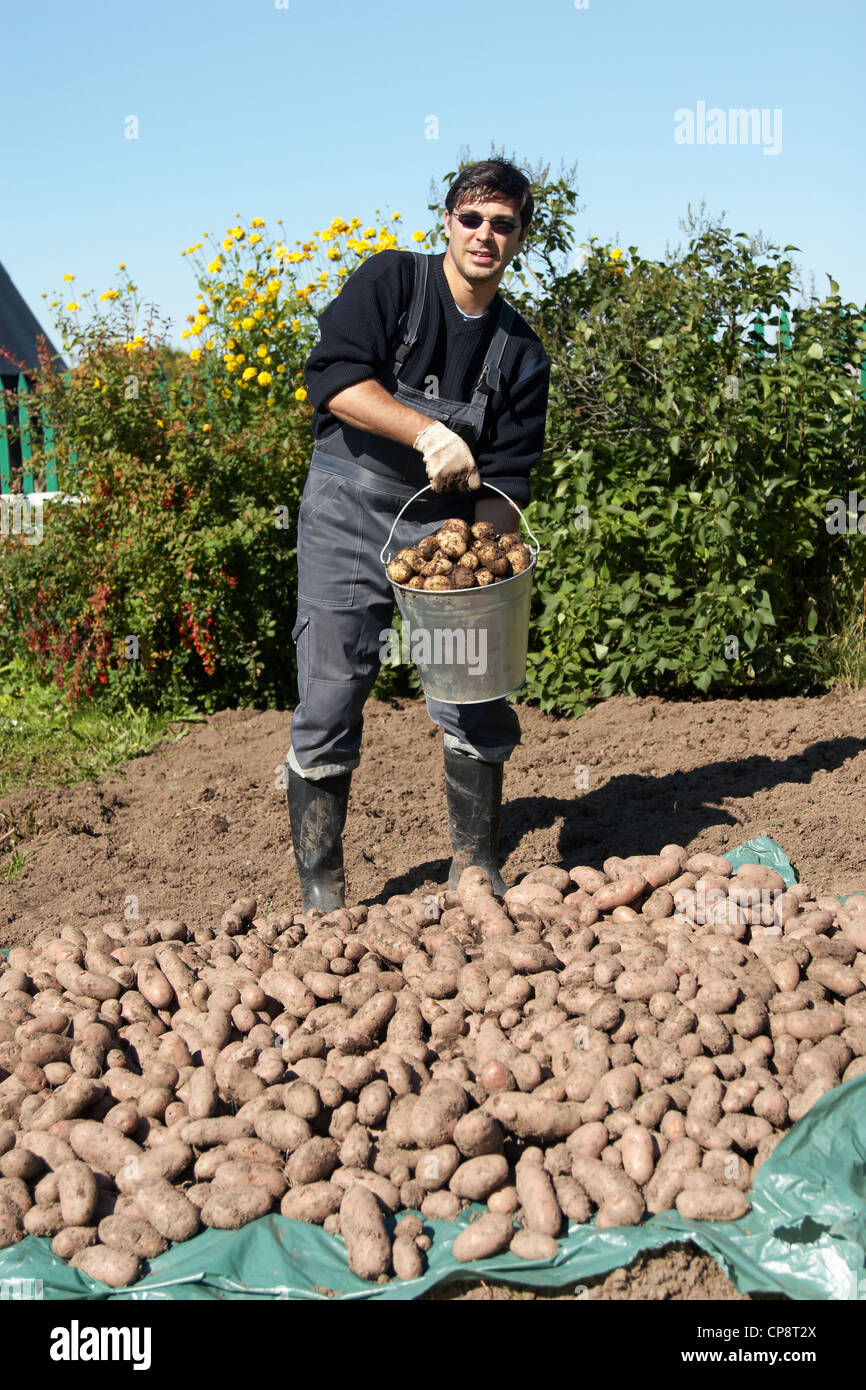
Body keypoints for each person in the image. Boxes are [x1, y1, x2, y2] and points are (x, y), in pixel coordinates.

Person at [285, 158, 550, 911]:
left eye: (503, 223)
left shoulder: (520, 353)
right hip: (348, 506)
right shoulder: (393, 284)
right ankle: (323, 887)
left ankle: (473, 863)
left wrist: (496, 573)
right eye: (471, 219)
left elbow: (507, 483)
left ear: (520, 237)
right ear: (447, 223)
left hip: (446, 534)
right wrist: (427, 433)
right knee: (332, 693)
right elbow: (334, 379)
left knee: (476, 691)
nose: (484, 236)